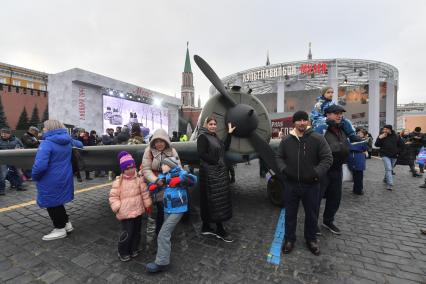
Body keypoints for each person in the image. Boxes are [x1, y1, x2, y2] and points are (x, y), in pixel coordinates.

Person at [276, 111, 332, 256]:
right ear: (293, 122)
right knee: (290, 214)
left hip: (311, 185)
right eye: (299, 120)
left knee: (312, 214)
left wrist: (316, 173)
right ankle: (289, 239)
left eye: (304, 120)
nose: (302, 123)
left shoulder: (318, 138)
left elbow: (327, 158)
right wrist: (284, 170)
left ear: (308, 122)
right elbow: (279, 157)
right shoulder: (287, 140)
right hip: (291, 185)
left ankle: (311, 239)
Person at [31, 120, 83, 240]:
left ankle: (59, 228)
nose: (43, 130)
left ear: (49, 128)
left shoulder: (47, 143)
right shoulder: (68, 140)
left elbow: (40, 166)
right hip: (64, 176)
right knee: (58, 201)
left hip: (49, 179)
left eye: (44, 128)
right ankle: (66, 224)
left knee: (52, 203)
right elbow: (80, 145)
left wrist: (34, 176)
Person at [146, 157, 197, 273]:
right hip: (167, 208)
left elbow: (193, 180)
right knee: (166, 234)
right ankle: (165, 254)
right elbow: (154, 186)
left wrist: (180, 179)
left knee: (163, 234)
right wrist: (153, 187)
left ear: (170, 166)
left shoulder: (180, 172)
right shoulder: (164, 175)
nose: (161, 167)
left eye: (163, 165)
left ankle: (162, 262)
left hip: (178, 209)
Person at [197, 116, 236, 242]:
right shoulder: (203, 137)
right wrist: (216, 162)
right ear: (206, 125)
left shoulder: (214, 137)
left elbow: (224, 147)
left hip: (217, 172)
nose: (213, 126)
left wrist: (229, 133)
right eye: (211, 124)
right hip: (210, 173)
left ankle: (206, 226)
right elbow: (202, 153)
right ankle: (219, 229)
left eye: (214, 124)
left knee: (215, 200)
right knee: (215, 201)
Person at [109, 151, 152, 262]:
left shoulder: (139, 179)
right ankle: (123, 251)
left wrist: (147, 204)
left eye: (132, 167)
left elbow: (144, 193)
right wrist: (118, 206)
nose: (130, 170)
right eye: (127, 168)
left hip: (138, 211)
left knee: (137, 232)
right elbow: (113, 196)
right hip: (126, 213)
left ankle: (134, 248)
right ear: (123, 170)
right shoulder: (118, 182)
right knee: (127, 233)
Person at [317, 105, 350, 235]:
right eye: (336, 113)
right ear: (328, 115)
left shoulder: (341, 129)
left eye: (340, 113)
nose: (339, 115)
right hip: (324, 169)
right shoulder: (322, 127)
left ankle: (328, 221)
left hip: (337, 168)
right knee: (316, 198)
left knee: (335, 197)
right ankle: (312, 224)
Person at [142, 129, 181, 236]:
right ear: (153, 142)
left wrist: (176, 179)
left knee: (170, 208)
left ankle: (166, 230)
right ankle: (160, 232)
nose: (159, 144)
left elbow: (178, 168)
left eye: (161, 141)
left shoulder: (172, 151)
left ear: (166, 141)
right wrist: (156, 180)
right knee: (160, 209)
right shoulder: (148, 151)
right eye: (157, 141)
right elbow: (145, 169)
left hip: (169, 183)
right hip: (155, 183)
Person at [374, 125, 404, 191]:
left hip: (394, 156)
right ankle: (390, 184)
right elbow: (376, 145)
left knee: (390, 168)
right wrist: (379, 138)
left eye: (386, 129)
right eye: (383, 129)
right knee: (389, 169)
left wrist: (398, 152)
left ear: (390, 129)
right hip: (385, 155)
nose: (384, 130)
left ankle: (385, 178)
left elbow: (402, 145)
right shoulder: (381, 135)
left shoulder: (396, 136)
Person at [0, 128, 26, 195]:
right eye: (2, 133)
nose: (3, 135)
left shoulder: (16, 140)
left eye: (5, 133)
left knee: (19, 173)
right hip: (3, 160)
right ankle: (1, 190)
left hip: (15, 159)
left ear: (9, 134)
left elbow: (22, 147)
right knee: (2, 175)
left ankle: (19, 186)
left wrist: (20, 149)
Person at [347, 129, 369, 195]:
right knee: (359, 175)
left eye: (360, 133)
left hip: (352, 157)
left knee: (356, 174)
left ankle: (356, 189)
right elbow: (365, 148)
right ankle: (358, 190)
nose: (359, 134)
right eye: (358, 133)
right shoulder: (363, 141)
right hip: (358, 157)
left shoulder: (349, 140)